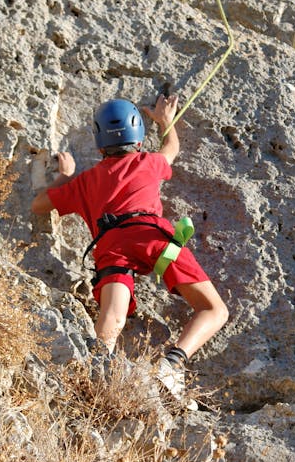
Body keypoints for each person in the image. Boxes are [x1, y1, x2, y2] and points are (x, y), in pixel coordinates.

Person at [31, 94, 228, 408]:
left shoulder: (85, 182)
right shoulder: (148, 162)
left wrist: (64, 176)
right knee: (214, 310)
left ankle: (98, 369)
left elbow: (39, 205)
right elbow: (171, 150)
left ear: (99, 146)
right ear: (138, 140)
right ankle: (171, 365)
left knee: (113, 316)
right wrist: (166, 122)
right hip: (154, 240)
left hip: (113, 247)